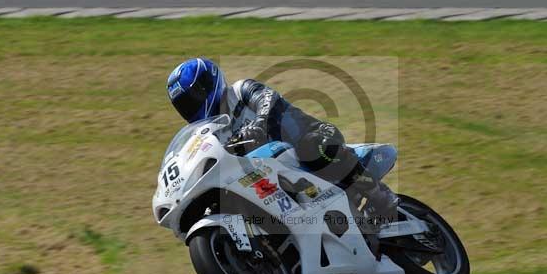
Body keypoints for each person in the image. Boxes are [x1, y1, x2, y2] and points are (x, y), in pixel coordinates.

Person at [166, 57, 400, 219]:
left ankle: (380, 196)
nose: (191, 107)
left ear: (207, 86)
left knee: (312, 146)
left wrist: (260, 122)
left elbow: (267, 98)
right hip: (276, 175)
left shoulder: (239, 91)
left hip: (313, 137)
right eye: (184, 105)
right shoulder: (211, 133)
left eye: (192, 99)